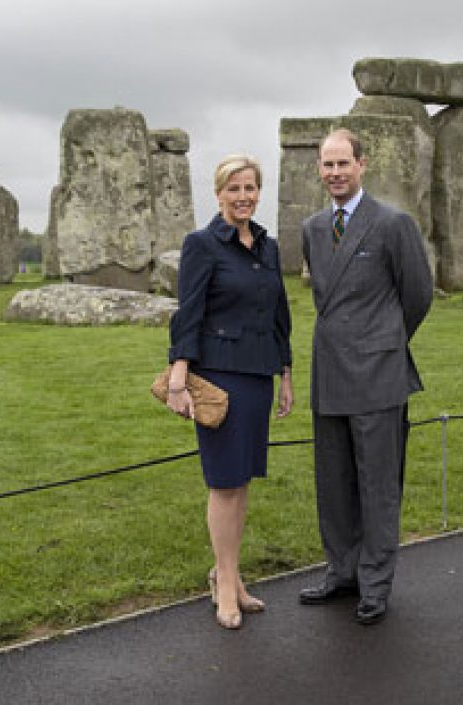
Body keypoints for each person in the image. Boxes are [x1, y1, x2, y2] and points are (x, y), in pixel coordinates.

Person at [299, 128, 433, 625]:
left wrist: (384, 340)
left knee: (377, 485)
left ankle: (375, 583)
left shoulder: (393, 224)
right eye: (327, 165)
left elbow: (417, 294)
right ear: (319, 168)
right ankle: (342, 573)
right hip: (330, 369)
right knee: (333, 482)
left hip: (378, 373)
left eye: (343, 164)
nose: (335, 173)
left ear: (362, 165)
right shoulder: (312, 228)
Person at [166, 155, 294, 630]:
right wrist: (179, 376)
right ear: (218, 194)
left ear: (259, 192)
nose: (243, 196)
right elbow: (189, 312)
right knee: (223, 484)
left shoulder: (268, 246)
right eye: (233, 189)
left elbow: (279, 313)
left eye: (250, 188)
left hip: (258, 375)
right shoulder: (201, 245)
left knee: (242, 484)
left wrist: (285, 372)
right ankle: (224, 584)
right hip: (219, 378)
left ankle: (232, 578)